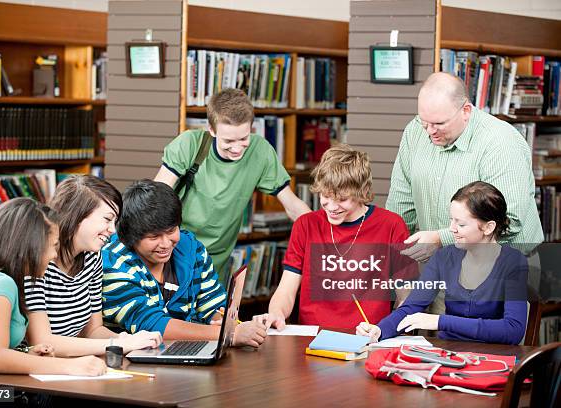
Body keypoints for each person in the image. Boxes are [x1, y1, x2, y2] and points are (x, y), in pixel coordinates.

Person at [0, 199, 108, 407]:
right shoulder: (0, 285)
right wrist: (71, 366)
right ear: (28, 245)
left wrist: (27, 354)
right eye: (53, 246)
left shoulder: (7, 281)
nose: (54, 256)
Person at [254, 145, 417, 330]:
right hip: (312, 339)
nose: (331, 206)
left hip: (368, 339)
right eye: (326, 196)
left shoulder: (391, 226)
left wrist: (387, 329)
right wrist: (276, 313)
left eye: (342, 199)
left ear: (361, 191)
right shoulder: (305, 225)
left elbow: (406, 296)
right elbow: (286, 290)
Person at [386, 72, 543, 264]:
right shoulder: (414, 131)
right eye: (424, 121)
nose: (429, 131)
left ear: (466, 111)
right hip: (441, 265)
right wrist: (394, 252)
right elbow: (401, 202)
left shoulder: (500, 143)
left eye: (439, 123)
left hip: (503, 267)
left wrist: (441, 240)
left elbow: (508, 220)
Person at [154, 88, 311, 275]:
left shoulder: (260, 151)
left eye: (244, 138)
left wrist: (325, 234)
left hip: (217, 261)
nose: (237, 148)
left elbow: (292, 205)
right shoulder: (189, 144)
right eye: (228, 141)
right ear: (211, 130)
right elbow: (156, 199)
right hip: (175, 253)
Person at [357, 182, 528, 345]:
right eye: (451, 220)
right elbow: (411, 307)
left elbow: (513, 330)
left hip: (493, 361)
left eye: (460, 223)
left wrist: (440, 321)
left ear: (488, 227)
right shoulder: (444, 257)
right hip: (447, 356)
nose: (452, 228)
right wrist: (379, 330)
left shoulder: (513, 262)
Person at [102, 179, 267, 348]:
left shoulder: (192, 249)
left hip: (183, 352)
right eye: (154, 237)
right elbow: (152, 325)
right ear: (131, 237)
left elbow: (214, 305)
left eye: (171, 231)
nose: (166, 244)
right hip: (132, 360)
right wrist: (228, 334)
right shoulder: (113, 262)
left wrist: (226, 323)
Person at [25, 175, 161, 357]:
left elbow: (92, 331)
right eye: (107, 219)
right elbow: (42, 341)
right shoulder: (38, 261)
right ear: (76, 215)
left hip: (69, 367)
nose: (113, 230)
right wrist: (119, 344)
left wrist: (130, 341)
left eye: (115, 222)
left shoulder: (93, 258)